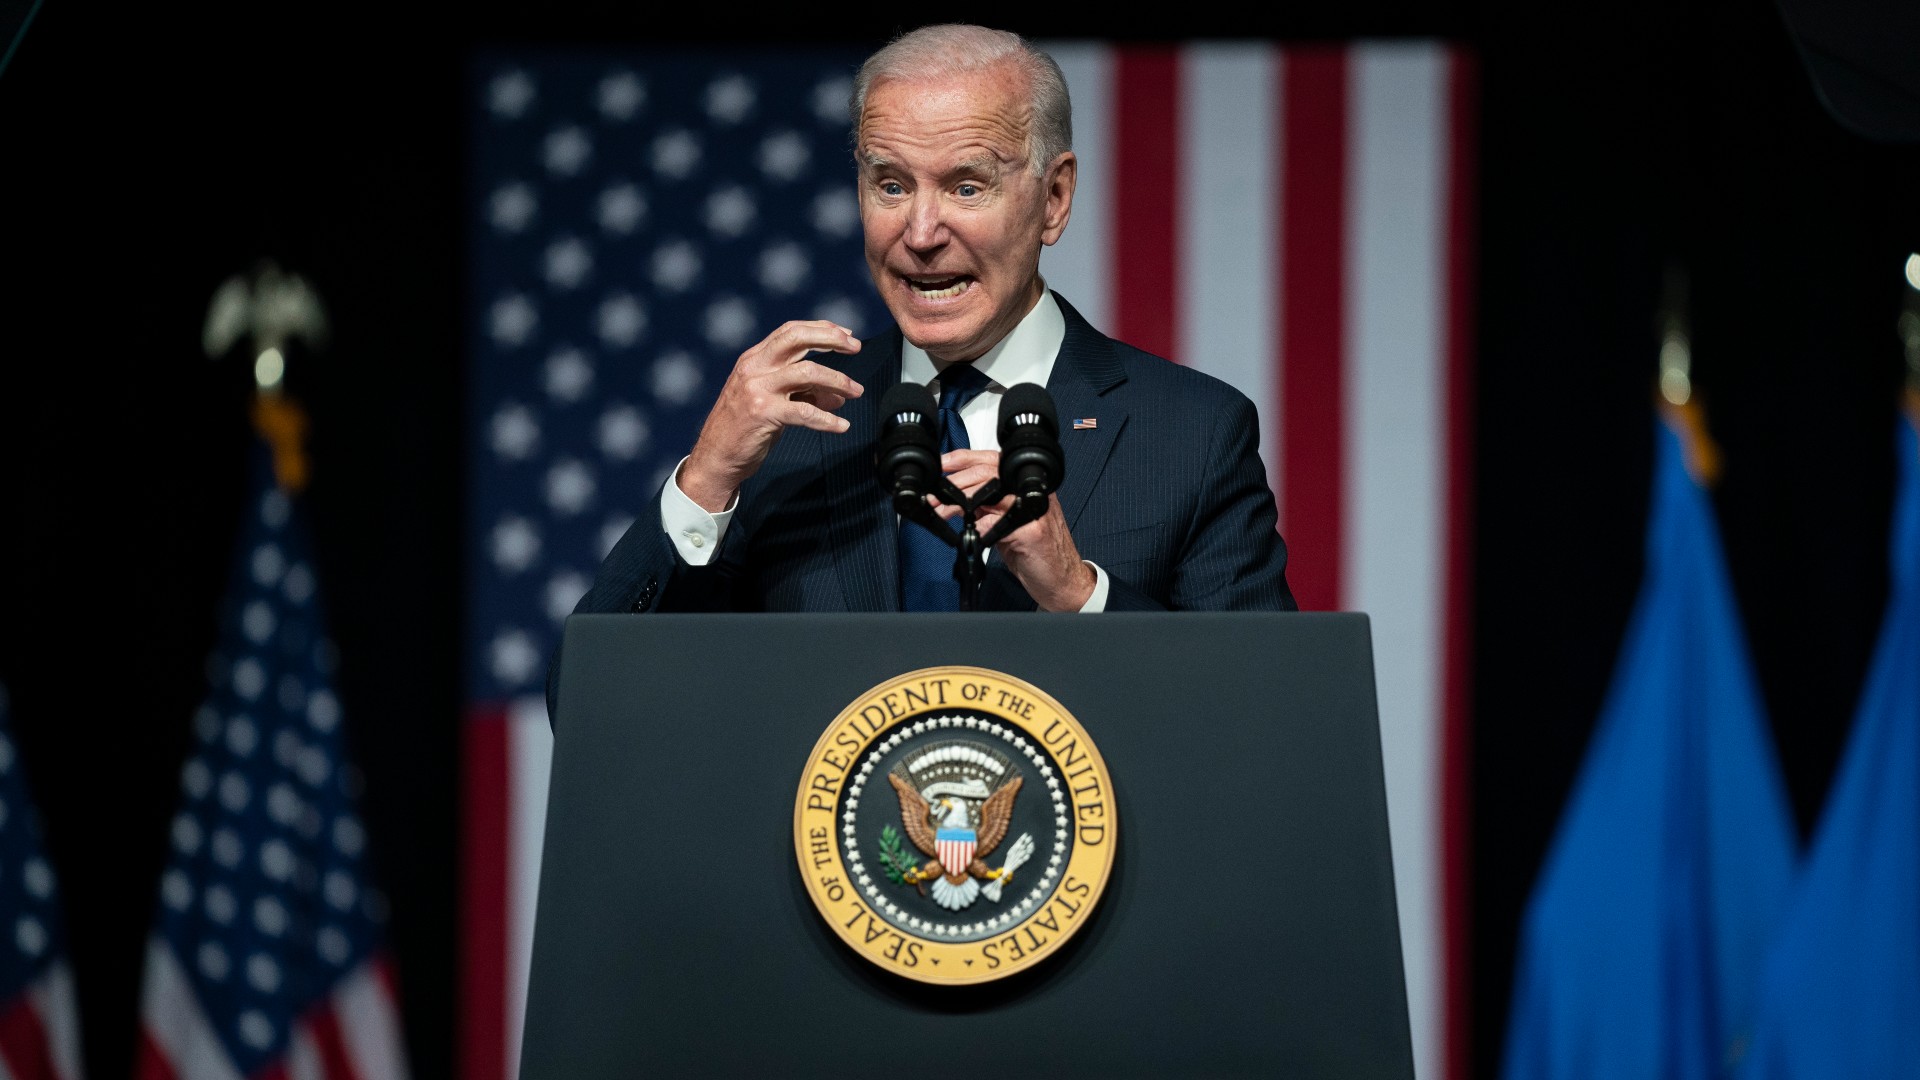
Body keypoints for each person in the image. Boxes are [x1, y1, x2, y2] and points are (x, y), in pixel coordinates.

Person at [549, 24, 1294, 718]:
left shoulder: (1191, 433)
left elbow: (1265, 719)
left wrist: (1078, 595)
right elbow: (591, 711)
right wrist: (704, 484)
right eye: (892, 185)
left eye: (966, 185)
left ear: (1054, 199)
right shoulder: (790, 433)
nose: (921, 233)